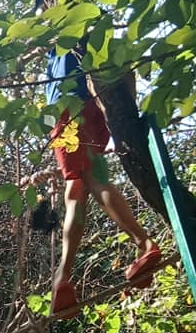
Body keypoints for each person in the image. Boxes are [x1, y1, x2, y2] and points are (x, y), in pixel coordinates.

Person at [44, 42, 161, 317]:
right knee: (79, 187)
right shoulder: (93, 36)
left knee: (86, 182)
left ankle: (143, 243)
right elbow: (127, 69)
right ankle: (63, 278)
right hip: (97, 106)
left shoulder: (61, 37)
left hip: (67, 106)